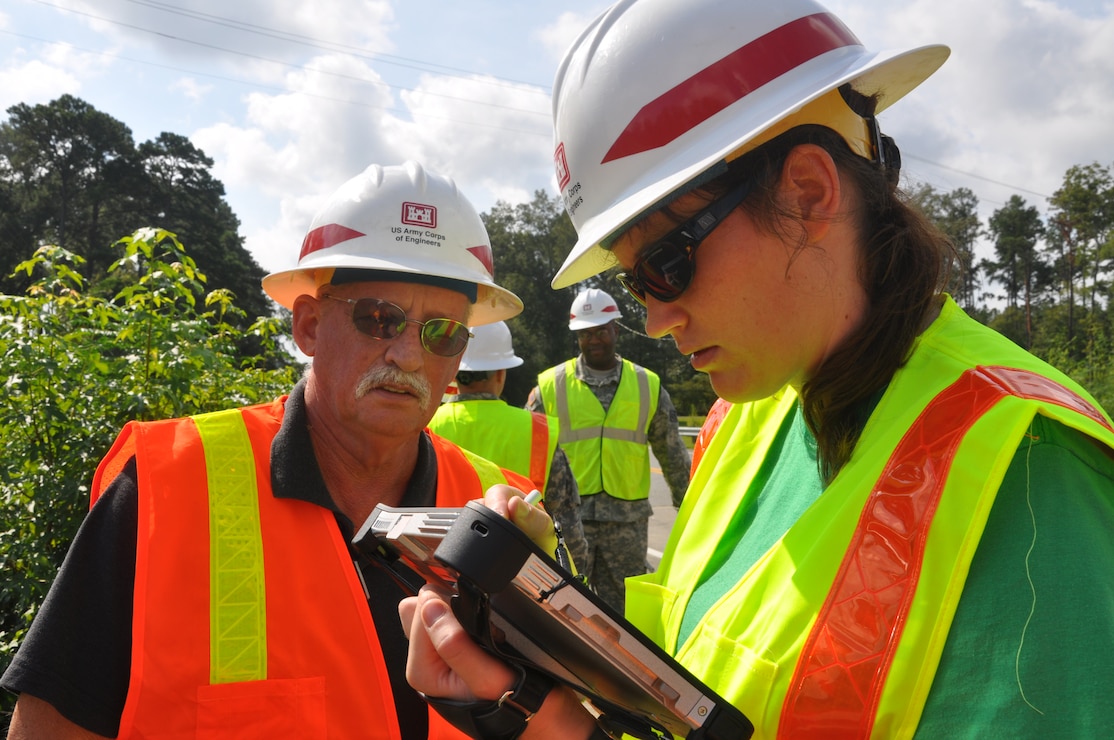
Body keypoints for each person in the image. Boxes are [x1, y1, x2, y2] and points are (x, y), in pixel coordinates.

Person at [399, 0, 1114, 737]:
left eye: (667, 265)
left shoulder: (1028, 473)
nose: (654, 318)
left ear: (808, 194)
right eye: (631, 282)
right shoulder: (744, 420)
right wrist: (543, 650)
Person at [1, 160, 530, 739]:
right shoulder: (164, 489)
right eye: (379, 319)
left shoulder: (504, 515)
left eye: (441, 333)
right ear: (307, 326)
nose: (407, 355)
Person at [526, 287, 690, 612]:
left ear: (616, 328)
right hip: (569, 520)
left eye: (601, 330)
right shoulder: (550, 386)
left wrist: (688, 510)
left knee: (626, 610)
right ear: (577, 337)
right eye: (586, 333)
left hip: (626, 523)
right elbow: (531, 455)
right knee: (564, 603)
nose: (594, 339)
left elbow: (673, 456)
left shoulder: (647, 384)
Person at [428, 320, 589, 569]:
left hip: (444, 562)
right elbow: (567, 524)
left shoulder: (428, 425)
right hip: (522, 572)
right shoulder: (538, 430)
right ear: (501, 373)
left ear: (455, 371)